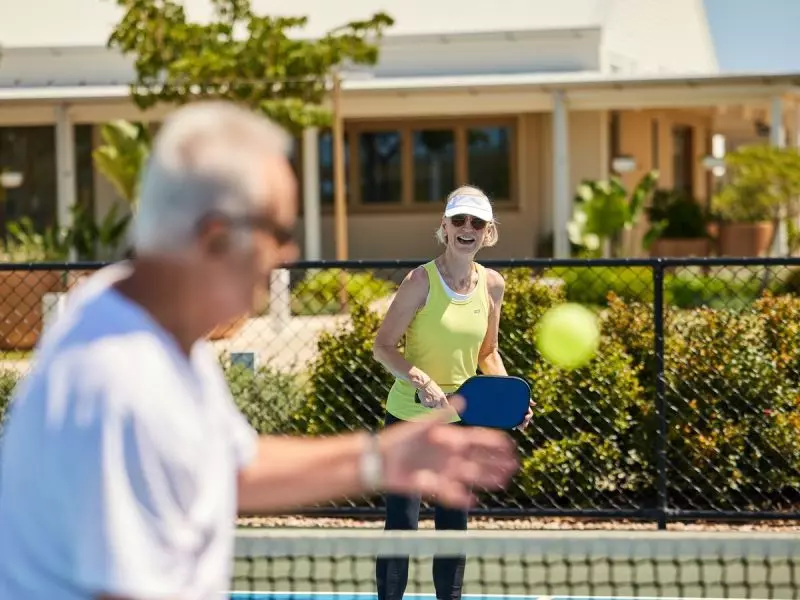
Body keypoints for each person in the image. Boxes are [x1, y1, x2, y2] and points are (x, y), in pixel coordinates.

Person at [0, 103, 519, 600]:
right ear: (217, 238)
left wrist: (381, 458)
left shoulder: (154, 329)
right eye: (280, 232)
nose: (289, 255)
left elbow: (230, 470)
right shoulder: (116, 380)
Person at [372, 186, 533, 600]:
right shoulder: (418, 281)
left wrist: (508, 396)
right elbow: (383, 346)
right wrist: (421, 381)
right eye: (458, 220)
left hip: (462, 419)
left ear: (488, 232)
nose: (467, 229)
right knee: (402, 527)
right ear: (444, 227)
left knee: (453, 525)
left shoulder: (493, 285)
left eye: (476, 223)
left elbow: (488, 352)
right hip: (409, 418)